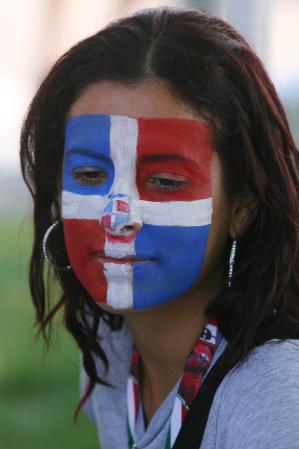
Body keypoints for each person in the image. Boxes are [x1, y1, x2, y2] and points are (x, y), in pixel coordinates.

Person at [20, 7, 299, 449]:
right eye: (90, 175)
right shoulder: (111, 346)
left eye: (166, 181)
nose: (116, 215)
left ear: (242, 206)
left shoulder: (276, 396)